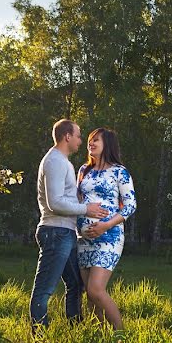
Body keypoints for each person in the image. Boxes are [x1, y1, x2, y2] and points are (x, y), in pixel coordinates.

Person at [29, 119, 109, 331]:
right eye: (78, 135)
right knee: (43, 291)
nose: (81, 141)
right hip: (55, 232)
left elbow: (67, 199)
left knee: (76, 284)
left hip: (66, 232)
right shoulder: (54, 161)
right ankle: (40, 340)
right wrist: (87, 209)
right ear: (67, 136)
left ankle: (75, 330)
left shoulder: (63, 161)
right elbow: (55, 202)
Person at [77, 127, 136, 330]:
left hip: (109, 236)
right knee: (90, 295)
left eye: (96, 141)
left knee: (96, 290)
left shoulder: (120, 171)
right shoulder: (84, 170)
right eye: (90, 140)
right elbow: (78, 201)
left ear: (107, 145)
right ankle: (102, 339)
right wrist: (79, 228)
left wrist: (105, 225)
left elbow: (130, 205)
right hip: (84, 239)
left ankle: (120, 334)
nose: (91, 143)